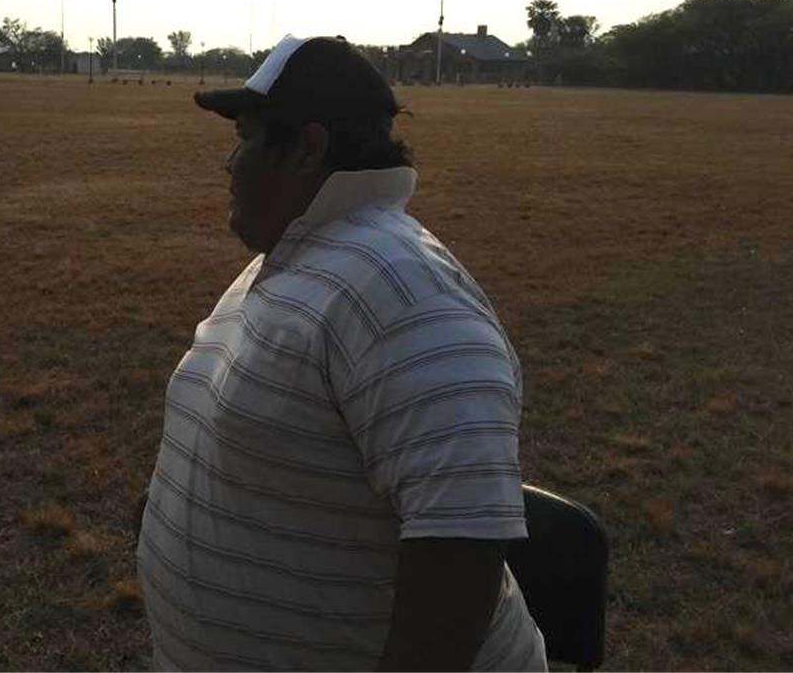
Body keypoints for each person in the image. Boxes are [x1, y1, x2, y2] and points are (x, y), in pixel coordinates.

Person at [135, 35, 546, 671]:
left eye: (244, 136)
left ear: (306, 148)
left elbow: (460, 553)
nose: (229, 162)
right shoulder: (305, 257)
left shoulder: (405, 291)